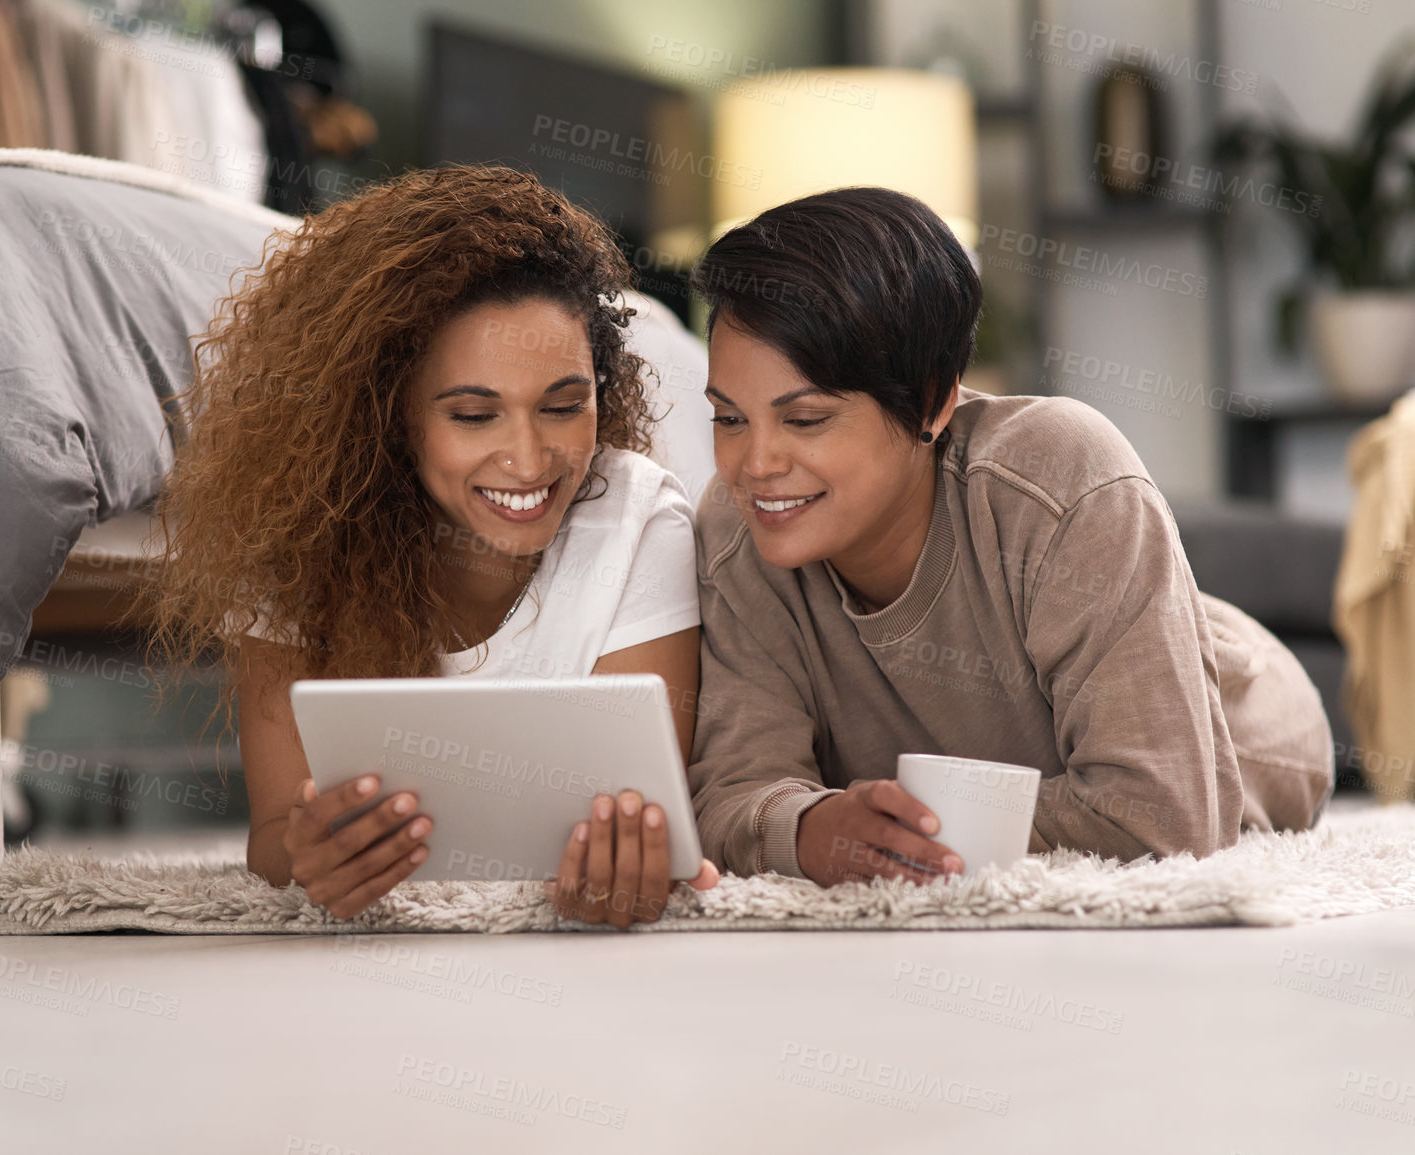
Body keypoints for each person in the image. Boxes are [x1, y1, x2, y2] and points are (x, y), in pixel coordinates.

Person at [684, 186, 1335, 885]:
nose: (754, 466)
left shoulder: (1061, 470)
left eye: (805, 419)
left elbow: (1165, 813)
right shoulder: (734, 526)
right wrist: (811, 829)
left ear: (932, 401)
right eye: (728, 419)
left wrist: (904, 827)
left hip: (1242, 718)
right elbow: (729, 798)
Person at [139, 165, 717, 925]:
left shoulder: (637, 519)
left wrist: (626, 865)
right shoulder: (297, 533)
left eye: (563, 405)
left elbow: (640, 820)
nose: (528, 458)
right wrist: (313, 855)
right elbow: (275, 837)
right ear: (390, 413)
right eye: (473, 415)